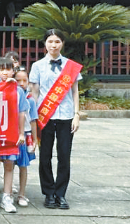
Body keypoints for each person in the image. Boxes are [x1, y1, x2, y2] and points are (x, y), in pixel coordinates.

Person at [29, 29, 81, 210]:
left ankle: (61, 194)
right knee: (45, 156)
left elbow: (75, 91)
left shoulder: (71, 66)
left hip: (66, 116)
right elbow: (34, 93)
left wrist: (76, 114)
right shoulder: (37, 66)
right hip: (45, 116)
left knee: (64, 156)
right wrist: (33, 118)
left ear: (62, 43)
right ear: (45, 44)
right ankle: (49, 193)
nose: (53, 45)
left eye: (57, 41)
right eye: (50, 41)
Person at [0, 57, 28, 214]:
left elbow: (21, 113)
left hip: (11, 132)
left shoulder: (18, 90)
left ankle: (7, 196)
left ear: (13, 71)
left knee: (9, 165)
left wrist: (21, 133)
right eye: (1, 69)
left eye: (8, 69)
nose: (5, 72)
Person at [15, 69, 38, 208]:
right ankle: (8, 191)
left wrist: (35, 139)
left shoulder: (30, 100)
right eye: (18, 80)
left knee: (23, 166)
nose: (22, 83)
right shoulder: (10, 96)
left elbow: (34, 120)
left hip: (25, 134)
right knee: (8, 164)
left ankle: (22, 194)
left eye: (25, 80)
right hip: (12, 134)